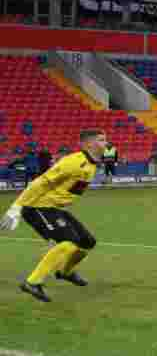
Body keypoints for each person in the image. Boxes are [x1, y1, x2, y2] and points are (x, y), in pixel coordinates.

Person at [2, 129, 107, 303]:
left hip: (56, 209)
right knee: (67, 243)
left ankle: (65, 272)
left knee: (87, 243)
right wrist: (16, 208)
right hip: (38, 207)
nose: (106, 143)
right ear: (89, 144)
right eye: (101, 140)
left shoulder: (93, 164)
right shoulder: (73, 162)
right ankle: (32, 282)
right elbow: (40, 183)